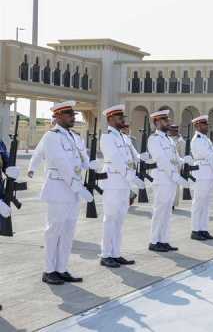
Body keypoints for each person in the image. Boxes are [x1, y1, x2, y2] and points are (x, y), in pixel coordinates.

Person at [38, 101, 96, 284]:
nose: (74, 117)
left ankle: (61, 268)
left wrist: (92, 166)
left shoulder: (73, 136)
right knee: (54, 230)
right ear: (58, 116)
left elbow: (81, 160)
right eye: (70, 114)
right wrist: (79, 187)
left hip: (73, 191)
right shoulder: (51, 137)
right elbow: (63, 165)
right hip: (58, 189)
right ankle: (49, 270)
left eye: (74, 114)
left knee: (68, 231)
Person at [98, 104, 145, 268]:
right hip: (113, 182)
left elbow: (135, 156)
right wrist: (132, 177)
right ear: (110, 119)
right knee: (110, 219)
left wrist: (147, 158)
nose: (122, 120)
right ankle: (106, 254)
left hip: (124, 183)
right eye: (119, 117)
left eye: (122, 117)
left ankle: (116, 253)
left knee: (119, 219)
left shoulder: (125, 138)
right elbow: (116, 160)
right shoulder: (107, 137)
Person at [147, 110, 190, 252]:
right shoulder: (154, 139)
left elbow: (175, 158)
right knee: (160, 211)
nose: (168, 122)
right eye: (165, 120)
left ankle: (163, 240)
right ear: (157, 122)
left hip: (171, 180)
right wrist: (175, 175)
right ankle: (154, 241)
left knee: (167, 212)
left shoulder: (169, 139)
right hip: (162, 179)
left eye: (168, 120)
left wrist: (186, 161)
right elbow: (161, 160)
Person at [168, 124, 185, 209]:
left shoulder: (180, 141)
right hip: (167, 166)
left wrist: (181, 166)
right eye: (172, 130)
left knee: (175, 185)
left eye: (175, 130)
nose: (173, 132)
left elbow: (182, 154)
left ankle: (173, 203)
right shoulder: (167, 139)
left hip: (176, 166)